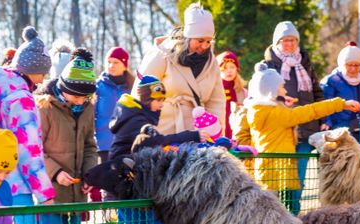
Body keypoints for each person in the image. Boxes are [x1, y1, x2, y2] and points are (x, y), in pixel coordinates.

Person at [108, 74, 204, 224]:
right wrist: (194, 136)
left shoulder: (138, 117)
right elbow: (156, 143)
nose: (161, 105)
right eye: (158, 100)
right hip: (127, 186)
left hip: (132, 185)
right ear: (145, 98)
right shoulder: (135, 120)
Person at [239, 63, 360, 214]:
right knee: (286, 211)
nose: (284, 90)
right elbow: (309, 111)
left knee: (268, 211)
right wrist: (340, 104)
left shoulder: (258, 110)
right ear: (271, 91)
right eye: (281, 87)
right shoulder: (276, 114)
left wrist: (282, 105)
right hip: (279, 172)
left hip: (267, 170)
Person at [0, 26, 55, 224]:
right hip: (18, 186)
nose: (43, 78)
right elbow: (29, 151)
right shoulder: (22, 100)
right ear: (32, 70)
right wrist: (45, 194)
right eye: (42, 72)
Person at [35, 48, 99, 224]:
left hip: (76, 191)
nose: (80, 101)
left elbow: (90, 144)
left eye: (85, 97)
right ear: (64, 88)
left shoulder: (87, 108)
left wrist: (89, 173)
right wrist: (55, 173)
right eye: (76, 96)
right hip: (51, 191)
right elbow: (35, 149)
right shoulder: (45, 107)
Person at [261, 21, 326, 214]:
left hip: (306, 129)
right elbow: (262, 95)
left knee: (298, 181)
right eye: (285, 40)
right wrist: (281, 100)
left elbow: (317, 93)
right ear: (277, 42)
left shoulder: (305, 64)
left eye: (293, 40)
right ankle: (277, 220)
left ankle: (294, 220)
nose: (289, 44)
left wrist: (323, 120)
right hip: (280, 131)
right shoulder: (267, 65)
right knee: (277, 181)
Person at [132, 2, 225, 135]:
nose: (205, 46)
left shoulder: (212, 62)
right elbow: (141, 93)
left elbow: (217, 103)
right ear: (188, 37)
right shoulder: (163, 53)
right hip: (162, 132)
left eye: (208, 41)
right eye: (200, 40)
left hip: (198, 134)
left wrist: (217, 135)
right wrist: (140, 132)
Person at [95, 47, 135, 163]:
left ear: (125, 65)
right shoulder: (98, 87)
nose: (111, 65)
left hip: (128, 144)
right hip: (104, 146)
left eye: (116, 62)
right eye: (109, 62)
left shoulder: (133, 88)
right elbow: (90, 116)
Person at [320, 41, 360, 133]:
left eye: (357, 65)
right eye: (349, 65)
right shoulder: (332, 81)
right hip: (337, 126)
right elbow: (325, 103)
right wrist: (327, 122)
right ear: (342, 64)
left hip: (357, 126)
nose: (353, 69)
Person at [216, 51, 247, 138]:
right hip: (218, 135)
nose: (229, 70)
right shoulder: (213, 91)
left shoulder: (243, 92)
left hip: (237, 136)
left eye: (232, 67)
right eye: (225, 68)